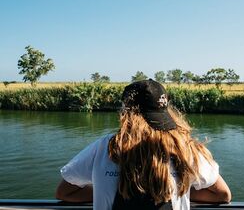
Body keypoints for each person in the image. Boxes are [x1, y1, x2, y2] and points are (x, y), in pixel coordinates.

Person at [56, 79, 231, 210]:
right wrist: (176, 190)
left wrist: (103, 191)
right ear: (165, 112)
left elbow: (64, 192)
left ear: (126, 114)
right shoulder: (186, 148)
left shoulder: (104, 147)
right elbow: (222, 195)